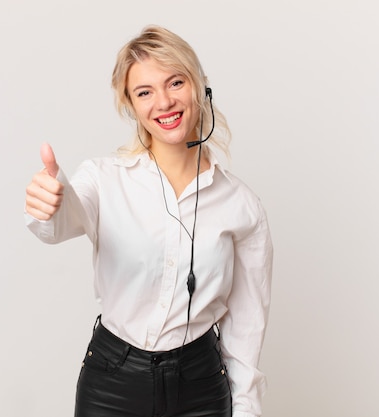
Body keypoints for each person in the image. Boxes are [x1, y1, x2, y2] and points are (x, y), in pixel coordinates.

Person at [24, 25, 273, 417]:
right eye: (145, 92)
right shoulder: (104, 179)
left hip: (202, 388)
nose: (164, 102)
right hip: (112, 384)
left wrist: (246, 410)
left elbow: (246, 331)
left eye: (175, 82)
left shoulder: (242, 206)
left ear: (200, 87)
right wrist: (49, 202)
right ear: (130, 105)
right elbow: (65, 217)